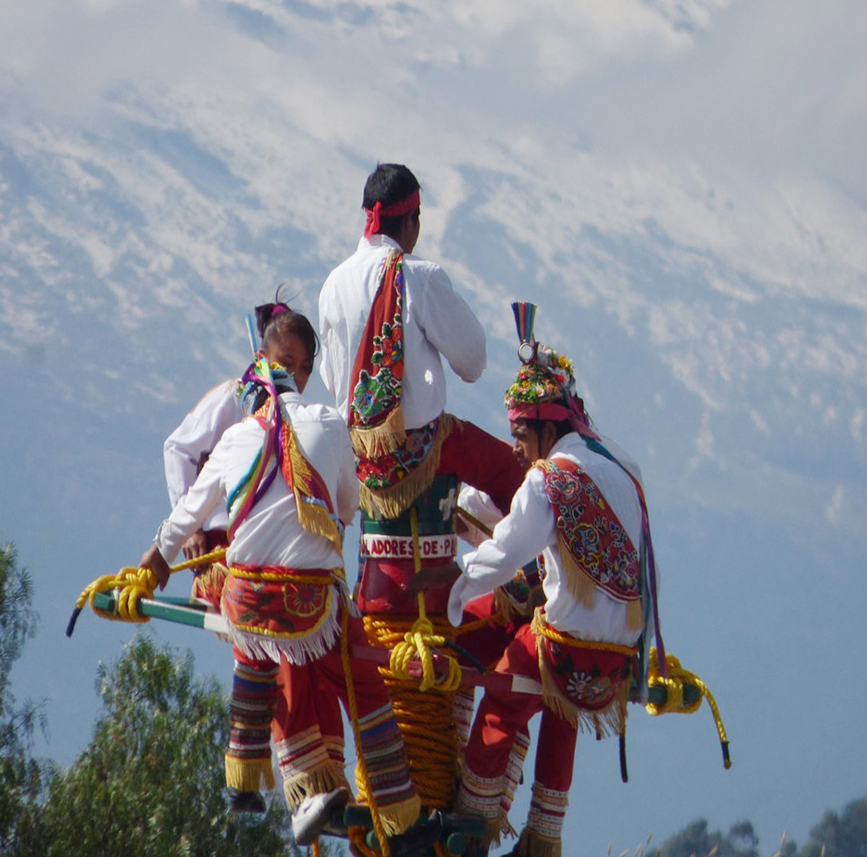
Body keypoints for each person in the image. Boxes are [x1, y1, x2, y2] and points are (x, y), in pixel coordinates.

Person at [140, 339, 440, 853]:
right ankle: (400, 816)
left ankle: (254, 781)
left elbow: (183, 519)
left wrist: (146, 572)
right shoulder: (329, 424)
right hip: (310, 605)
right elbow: (348, 508)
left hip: (246, 604)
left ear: (256, 398)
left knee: (258, 651)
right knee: (360, 680)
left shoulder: (235, 439)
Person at [414, 321, 662, 857]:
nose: (518, 449)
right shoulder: (624, 463)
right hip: (618, 661)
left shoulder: (549, 478)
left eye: (522, 437)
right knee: (562, 711)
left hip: (563, 650)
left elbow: (504, 553)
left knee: (500, 703)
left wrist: (453, 580)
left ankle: (471, 827)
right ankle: (544, 838)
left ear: (547, 432)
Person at [318, 162, 525, 523]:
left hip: (358, 455)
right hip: (424, 449)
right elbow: (472, 363)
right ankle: (526, 575)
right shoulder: (420, 276)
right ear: (412, 220)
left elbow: (331, 378)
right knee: (512, 474)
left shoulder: (334, 283)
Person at [162, 294, 317, 605]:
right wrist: (190, 528)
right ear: (261, 357)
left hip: (274, 553)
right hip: (221, 547)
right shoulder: (233, 396)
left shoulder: (301, 418)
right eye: (285, 363)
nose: (295, 376)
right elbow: (179, 449)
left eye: (305, 368)